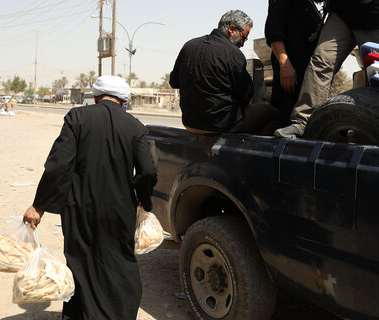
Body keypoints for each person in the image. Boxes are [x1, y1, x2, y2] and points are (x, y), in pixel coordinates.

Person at [23, 75, 157, 320]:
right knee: (118, 263)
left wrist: (39, 206)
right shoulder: (135, 126)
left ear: (95, 97)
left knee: (81, 264)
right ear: (123, 101)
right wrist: (142, 199)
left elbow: (57, 166)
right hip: (119, 210)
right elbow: (148, 170)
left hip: (78, 209)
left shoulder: (77, 117)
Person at [275, 0, 379, 138]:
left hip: (373, 15)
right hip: (341, 13)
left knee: (376, 73)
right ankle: (302, 122)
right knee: (321, 61)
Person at [170, 10, 278, 135]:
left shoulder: (189, 46)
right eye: (244, 37)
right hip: (220, 124)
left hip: (190, 123)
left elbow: (174, 82)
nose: (243, 44)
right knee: (272, 112)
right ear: (232, 29)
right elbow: (246, 96)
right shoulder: (233, 53)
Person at [265, 0, 323, 126]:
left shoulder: (310, 4)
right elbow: (274, 33)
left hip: (305, 77)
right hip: (291, 77)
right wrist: (285, 65)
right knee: (288, 121)